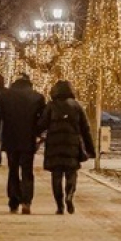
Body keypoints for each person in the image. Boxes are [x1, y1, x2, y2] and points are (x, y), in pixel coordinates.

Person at [36, 79, 96, 215]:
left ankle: (60, 206)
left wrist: (36, 134)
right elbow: (85, 129)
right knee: (71, 173)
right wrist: (90, 149)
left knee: (56, 176)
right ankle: (70, 195)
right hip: (72, 145)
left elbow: (41, 125)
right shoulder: (77, 106)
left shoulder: (51, 106)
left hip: (54, 146)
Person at [0, 73, 45, 214]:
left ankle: (13, 200)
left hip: (10, 138)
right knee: (27, 170)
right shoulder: (37, 97)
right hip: (28, 139)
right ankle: (26, 201)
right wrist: (39, 134)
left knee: (12, 169)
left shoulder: (5, 96)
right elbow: (43, 120)